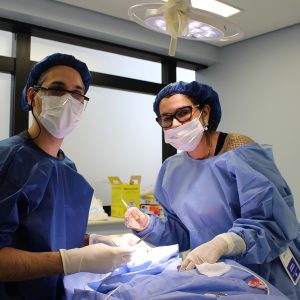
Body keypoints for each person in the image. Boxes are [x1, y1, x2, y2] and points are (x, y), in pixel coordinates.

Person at [124, 81, 300, 299]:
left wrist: (225, 243)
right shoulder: (172, 169)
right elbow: (182, 233)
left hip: (262, 270)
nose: (176, 124)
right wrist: (148, 225)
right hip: (214, 273)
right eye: (167, 119)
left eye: (184, 113)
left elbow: (274, 223)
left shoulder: (239, 151)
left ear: (204, 112)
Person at [0, 53, 134, 300]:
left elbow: (45, 235)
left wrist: (89, 242)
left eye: (77, 93)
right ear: (32, 96)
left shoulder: (66, 166)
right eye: (57, 89)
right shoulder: (9, 159)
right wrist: (71, 260)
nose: (68, 100)